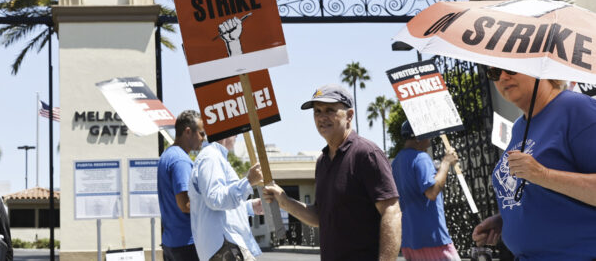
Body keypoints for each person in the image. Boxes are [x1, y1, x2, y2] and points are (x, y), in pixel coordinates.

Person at [263, 84, 400, 261]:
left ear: (349, 115)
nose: (322, 117)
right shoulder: (322, 161)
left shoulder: (366, 154)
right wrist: (284, 201)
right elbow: (319, 216)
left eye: (329, 110)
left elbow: (392, 212)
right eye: (317, 111)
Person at [472, 68, 596, 258]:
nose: (503, 77)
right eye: (494, 73)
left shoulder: (576, 108)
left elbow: (541, 177)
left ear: (539, 67)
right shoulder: (519, 126)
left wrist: (543, 175)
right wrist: (505, 218)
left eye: (512, 69)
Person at [390, 121, 459, 261]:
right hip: (432, 239)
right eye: (427, 136)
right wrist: (446, 163)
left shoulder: (396, 162)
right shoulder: (421, 158)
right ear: (417, 137)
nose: (429, 142)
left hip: (409, 241)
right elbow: (432, 192)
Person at [189, 134, 264, 261]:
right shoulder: (211, 157)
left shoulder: (215, 157)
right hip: (225, 245)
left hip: (225, 245)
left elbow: (219, 206)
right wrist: (248, 181)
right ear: (225, 134)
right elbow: (215, 199)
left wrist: (249, 207)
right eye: (235, 133)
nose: (237, 136)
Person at [158, 110, 206, 261]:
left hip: (172, 242)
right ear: (187, 132)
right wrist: (213, 204)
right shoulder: (181, 161)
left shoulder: (167, 155)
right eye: (201, 133)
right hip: (186, 244)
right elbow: (185, 205)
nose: (204, 139)